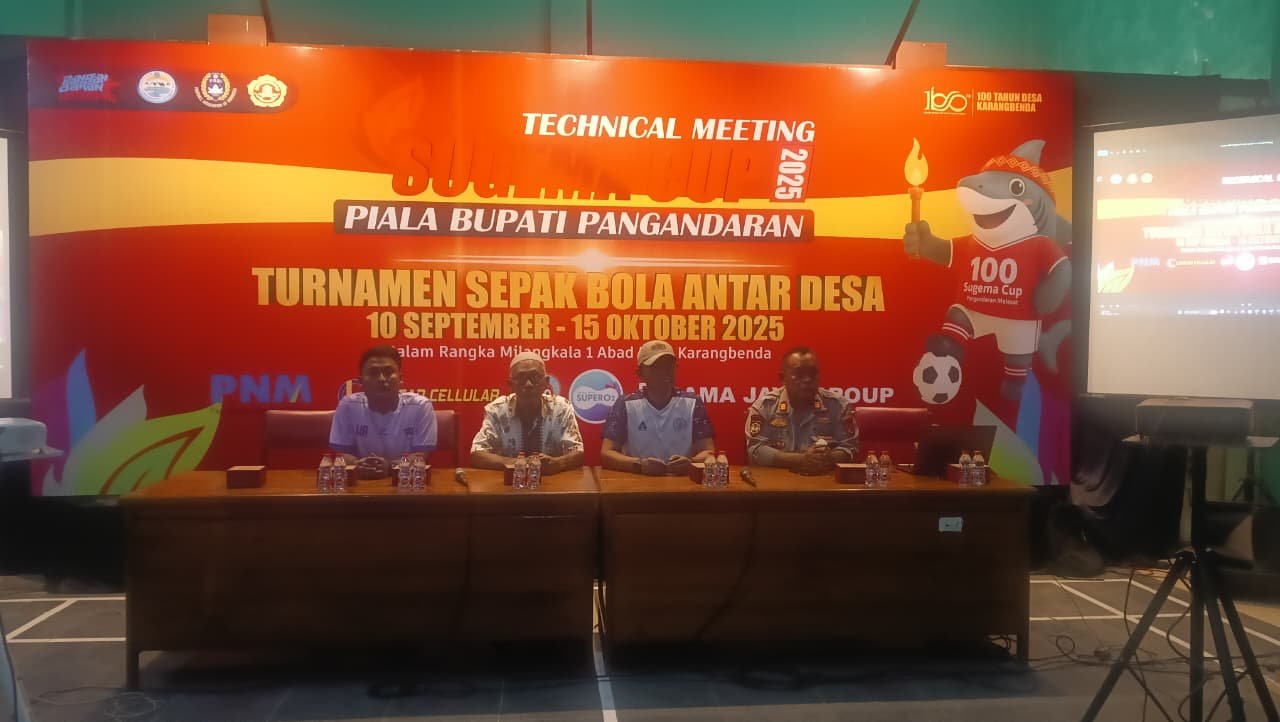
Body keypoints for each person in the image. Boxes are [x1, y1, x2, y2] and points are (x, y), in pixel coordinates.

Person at [601, 340, 715, 475]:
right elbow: (606, 454)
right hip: (637, 482)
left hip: (683, 483)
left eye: (669, 366)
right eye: (656, 367)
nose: (665, 372)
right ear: (640, 373)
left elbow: (709, 453)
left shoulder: (693, 403)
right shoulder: (625, 404)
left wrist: (691, 463)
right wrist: (639, 465)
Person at [329, 345, 436, 479]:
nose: (381, 379)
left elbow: (421, 456)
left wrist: (389, 466)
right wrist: (359, 465)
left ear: (400, 378)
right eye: (373, 373)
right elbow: (341, 455)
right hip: (361, 484)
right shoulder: (348, 406)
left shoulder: (420, 406)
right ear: (361, 381)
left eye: (388, 372)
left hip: (404, 482)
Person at [745, 346, 857, 474]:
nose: (807, 379)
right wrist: (801, 460)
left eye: (813, 374)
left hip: (823, 480)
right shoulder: (765, 407)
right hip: (778, 482)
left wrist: (828, 457)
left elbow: (850, 448)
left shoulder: (838, 406)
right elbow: (756, 451)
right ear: (782, 378)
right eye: (799, 374)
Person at [470, 351, 584, 474]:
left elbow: (578, 453)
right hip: (509, 483)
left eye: (535, 377)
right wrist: (518, 463)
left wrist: (558, 463)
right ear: (510, 385)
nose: (528, 384)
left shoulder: (561, 409)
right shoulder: (497, 410)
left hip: (553, 481)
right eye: (521, 378)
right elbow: (477, 454)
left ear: (546, 382)